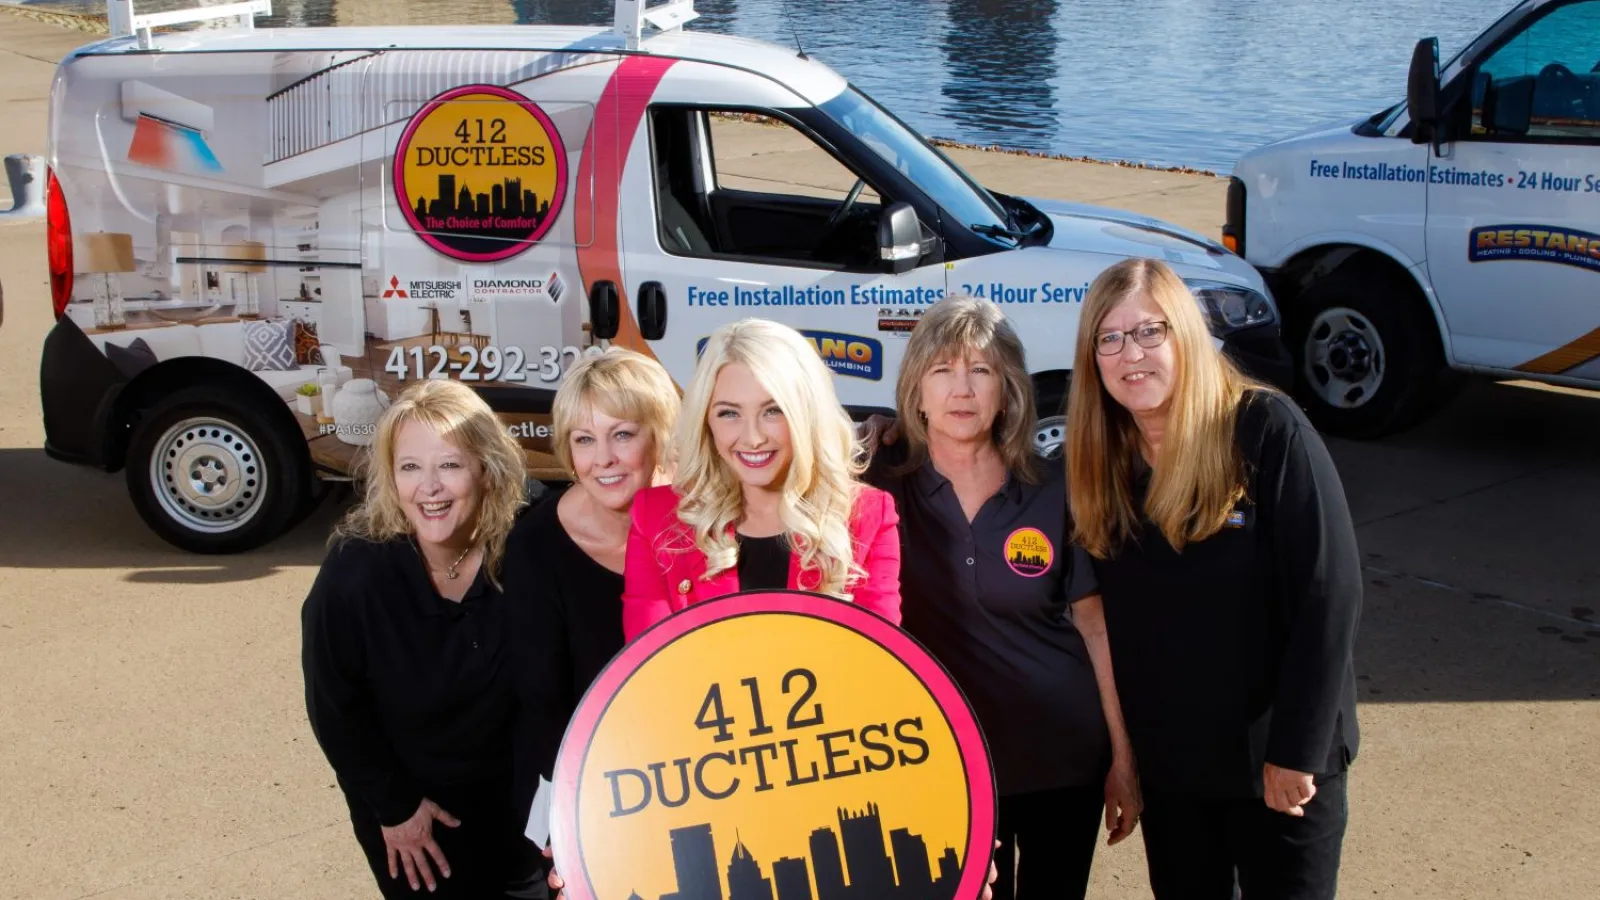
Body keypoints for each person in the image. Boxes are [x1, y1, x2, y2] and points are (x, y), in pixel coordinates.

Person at [1066, 257, 1362, 900]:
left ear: (1187, 336)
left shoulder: (1265, 429)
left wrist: (1296, 750)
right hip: (1176, 772)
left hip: (1276, 764)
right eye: (1109, 338)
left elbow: (1328, 594)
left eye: (1150, 332)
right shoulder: (1100, 461)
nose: (1130, 354)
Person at [861, 295, 1140, 900]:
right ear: (916, 391)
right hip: (939, 762)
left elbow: (1094, 628)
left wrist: (1123, 758)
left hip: (1059, 756)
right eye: (942, 371)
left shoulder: (1052, 489)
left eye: (981, 371)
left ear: (1008, 389)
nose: (961, 390)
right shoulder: (876, 485)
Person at [300, 378, 544, 899]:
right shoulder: (355, 572)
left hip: (523, 814)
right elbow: (335, 708)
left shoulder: (528, 550)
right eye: (410, 467)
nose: (428, 488)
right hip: (414, 819)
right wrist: (394, 808)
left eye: (449, 465)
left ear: (486, 468)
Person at [620, 317, 902, 639]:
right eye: (729, 413)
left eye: (773, 411)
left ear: (806, 415)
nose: (752, 438)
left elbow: (881, 666)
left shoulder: (868, 516)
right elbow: (649, 668)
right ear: (706, 422)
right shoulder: (655, 518)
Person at [500, 348, 682, 841]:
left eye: (622, 434)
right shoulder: (535, 546)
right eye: (584, 440)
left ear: (660, 433)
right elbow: (544, 703)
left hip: (698, 763)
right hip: (592, 779)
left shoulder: (705, 516)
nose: (602, 458)